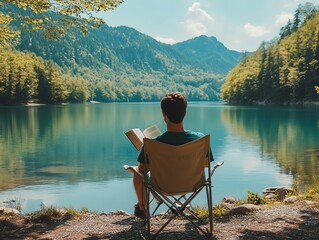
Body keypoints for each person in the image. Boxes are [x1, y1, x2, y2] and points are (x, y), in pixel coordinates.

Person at [133, 92, 214, 218]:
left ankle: (142, 208)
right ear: (185, 114)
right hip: (193, 185)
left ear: (164, 116)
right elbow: (205, 165)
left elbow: (142, 171)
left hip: (161, 186)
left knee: (137, 174)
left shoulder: (153, 143)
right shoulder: (201, 139)